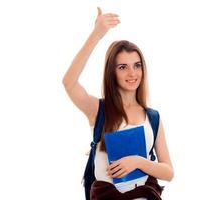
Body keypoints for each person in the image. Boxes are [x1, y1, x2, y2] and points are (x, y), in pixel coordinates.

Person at [62, 7, 174, 199]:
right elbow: (69, 82)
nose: (132, 73)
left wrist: (138, 162)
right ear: (111, 72)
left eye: (137, 65)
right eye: (123, 67)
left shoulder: (152, 116)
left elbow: (168, 172)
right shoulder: (98, 110)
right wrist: (97, 34)